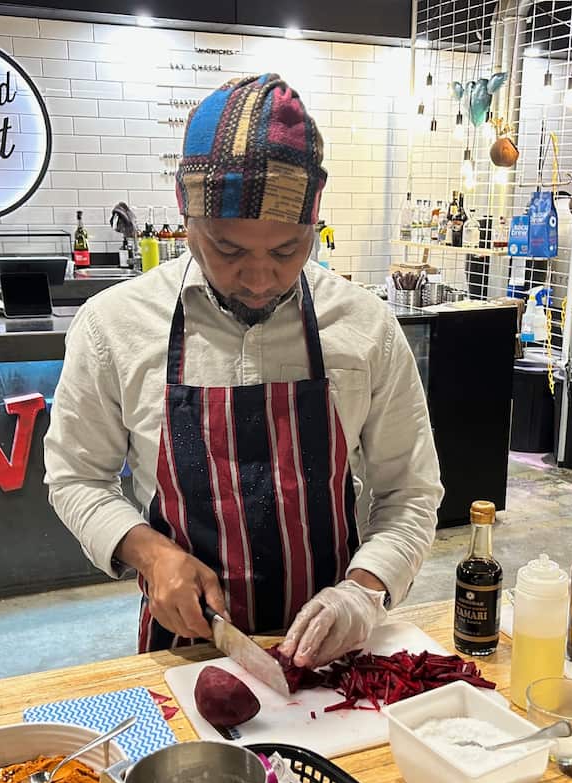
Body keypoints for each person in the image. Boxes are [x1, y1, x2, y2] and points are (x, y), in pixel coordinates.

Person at [45, 73, 443, 668]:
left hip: (334, 653)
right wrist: (152, 555)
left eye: (287, 250)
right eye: (228, 249)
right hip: (186, 653)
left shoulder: (366, 327)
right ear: (185, 217)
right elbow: (75, 477)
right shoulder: (113, 327)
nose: (259, 279)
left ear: (315, 226)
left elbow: (410, 492)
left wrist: (364, 592)